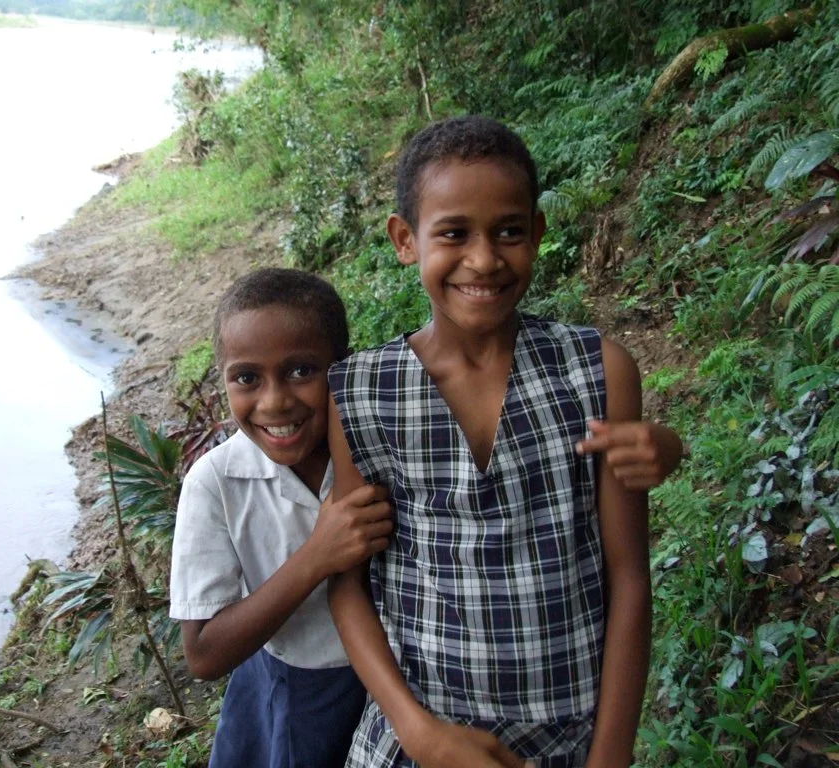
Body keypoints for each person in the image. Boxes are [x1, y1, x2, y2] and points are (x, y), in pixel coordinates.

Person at [327, 115, 666, 768]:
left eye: (509, 231)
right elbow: (348, 585)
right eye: (453, 233)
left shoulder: (596, 372)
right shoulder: (363, 393)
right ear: (405, 239)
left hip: (566, 739)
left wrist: (610, 756)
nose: (484, 259)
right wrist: (420, 732)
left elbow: (629, 577)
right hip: (415, 742)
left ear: (537, 233)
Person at [169, 268, 392, 768]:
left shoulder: (380, 451)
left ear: (343, 366)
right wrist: (315, 558)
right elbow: (203, 653)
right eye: (247, 378)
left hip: (400, 683)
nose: (274, 402)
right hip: (295, 694)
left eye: (301, 371)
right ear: (222, 379)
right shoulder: (215, 483)